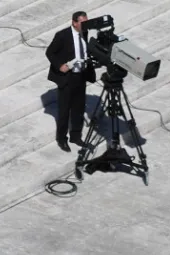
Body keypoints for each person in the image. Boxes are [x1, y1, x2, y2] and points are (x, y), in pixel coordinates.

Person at [45, 11, 96, 152]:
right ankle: (62, 139)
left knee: (79, 108)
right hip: (67, 77)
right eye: (83, 22)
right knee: (64, 110)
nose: (86, 25)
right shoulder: (62, 35)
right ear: (74, 22)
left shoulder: (84, 33)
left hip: (80, 76)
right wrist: (60, 65)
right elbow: (50, 52)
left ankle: (76, 136)